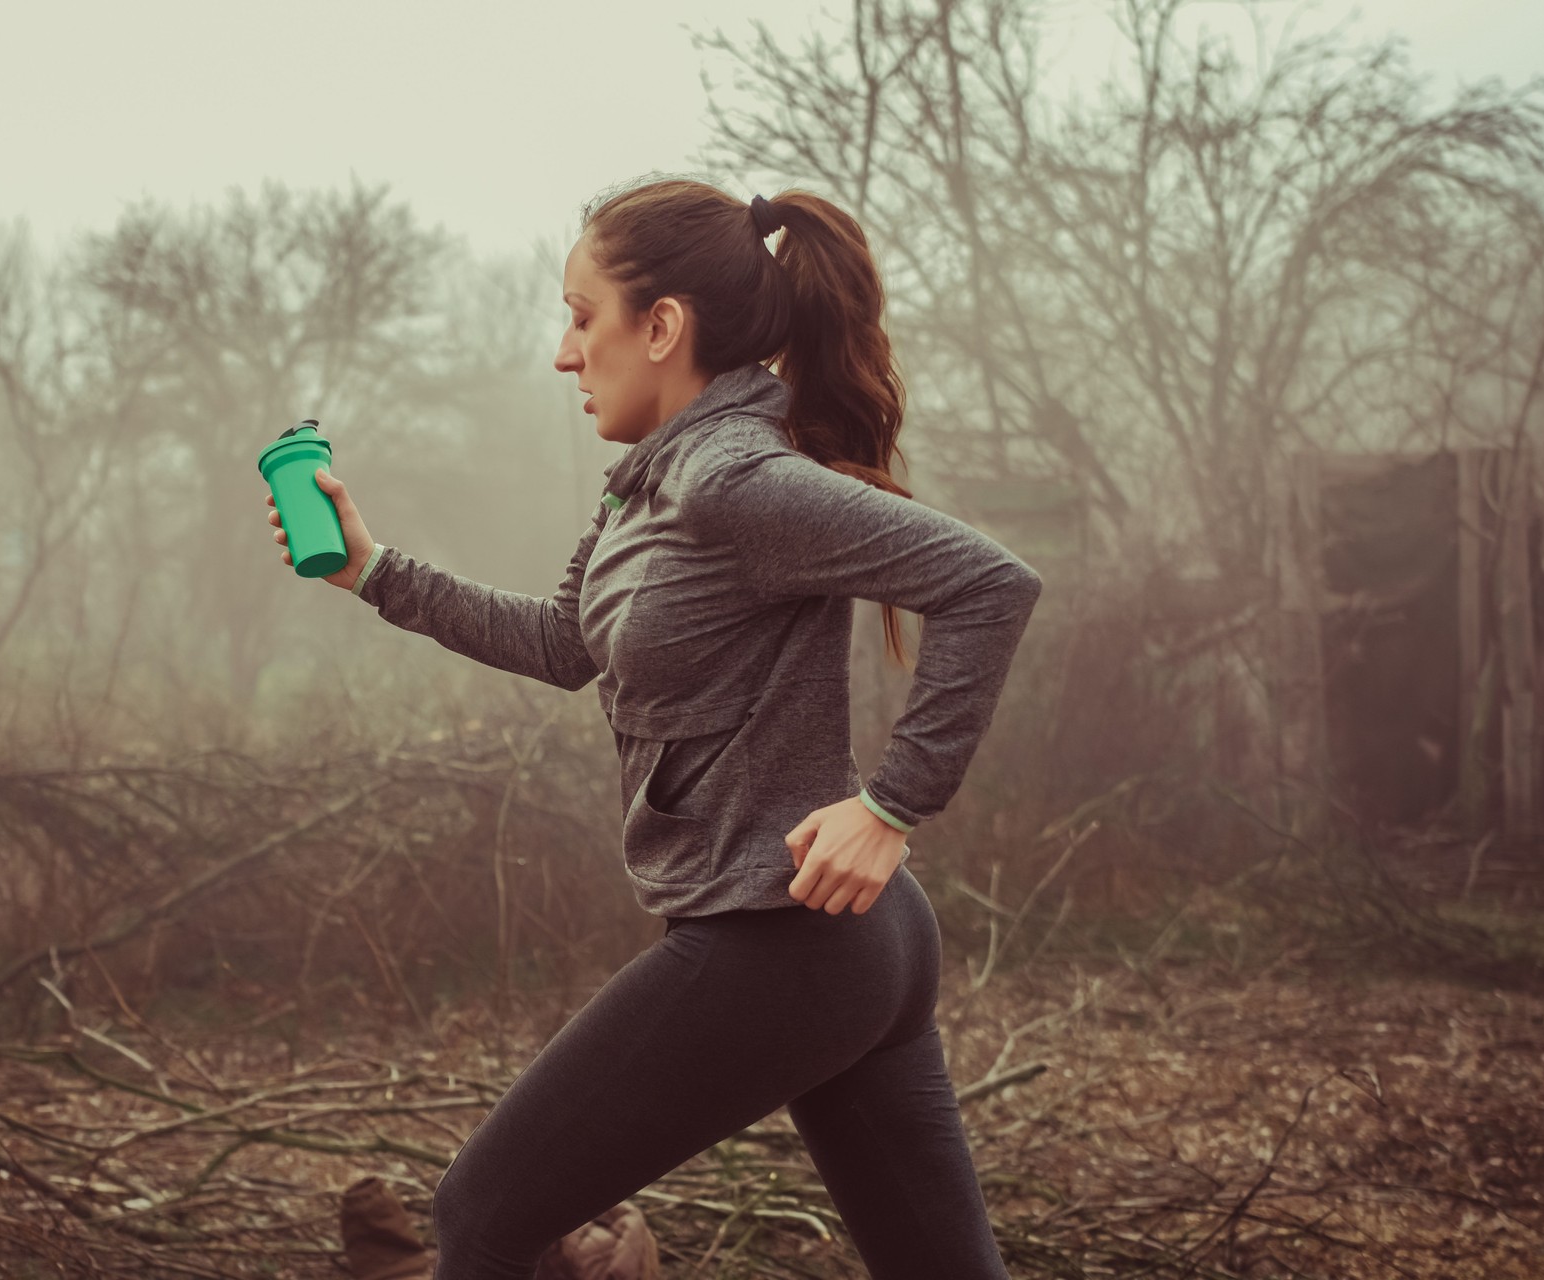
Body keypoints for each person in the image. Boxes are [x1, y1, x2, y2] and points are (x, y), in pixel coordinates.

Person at [263, 176, 1040, 1280]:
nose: (563, 353)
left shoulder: (735, 480)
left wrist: (891, 802)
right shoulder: (647, 487)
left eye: (583, 316)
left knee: (481, 1209)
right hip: (845, 944)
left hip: (786, 937)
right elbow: (561, 643)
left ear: (662, 325)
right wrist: (373, 571)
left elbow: (991, 583)